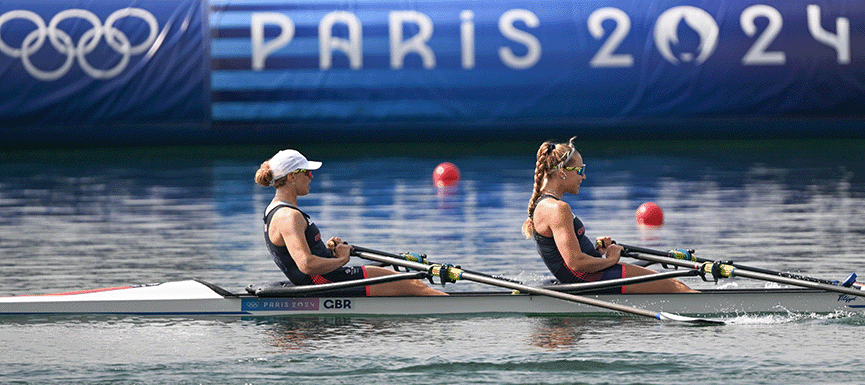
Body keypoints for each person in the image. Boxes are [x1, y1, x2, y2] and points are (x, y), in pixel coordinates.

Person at [255, 149, 446, 296]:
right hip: (325, 283)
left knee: (402, 288)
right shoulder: (289, 217)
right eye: (306, 172)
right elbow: (306, 264)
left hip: (321, 280)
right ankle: (456, 312)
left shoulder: (273, 211)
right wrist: (341, 259)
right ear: (291, 177)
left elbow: (300, 257)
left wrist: (327, 251)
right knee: (414, 284)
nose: (311, 176)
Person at [521, 138, 696, 293]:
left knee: (669, 282)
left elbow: (568, 255)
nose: (584, 176)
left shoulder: (545, 205)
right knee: (677, 287)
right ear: (562, 173)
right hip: (587, 279)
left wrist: (596, 251)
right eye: (580, 170)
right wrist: (611, 260)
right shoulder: (557, 208)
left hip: (584, 276)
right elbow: (576, 263)